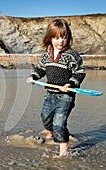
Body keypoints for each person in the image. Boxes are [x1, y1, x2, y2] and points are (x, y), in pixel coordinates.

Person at [26, 18, 86, 157]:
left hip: (66, 96)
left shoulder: (72, 55)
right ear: (50, 38)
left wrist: (70, 84)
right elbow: (40, 69)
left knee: (59, 122)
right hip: (50, 94)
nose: (60, 41)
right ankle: (49, 133)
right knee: (45, 117)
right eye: (56, 38)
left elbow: (80, 72)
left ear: (68, 38)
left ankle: (63, 152)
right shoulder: (47, 55)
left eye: (64, 37)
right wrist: (33, 77)